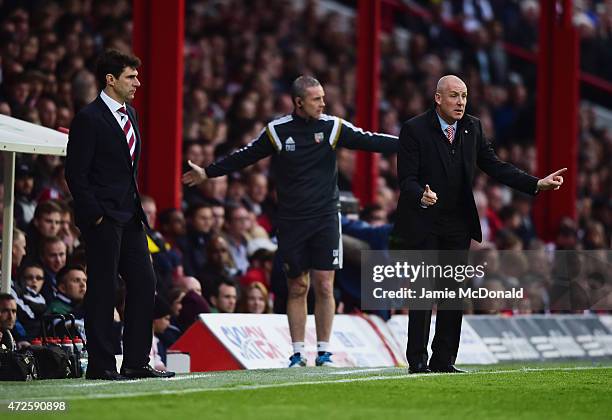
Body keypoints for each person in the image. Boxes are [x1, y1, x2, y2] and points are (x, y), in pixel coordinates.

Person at [183, 75, 398, 367]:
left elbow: (370, 140)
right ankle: (297, 353)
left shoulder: (332, 127)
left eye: (323, 97)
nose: (323, 103)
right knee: (298, 286)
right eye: (316, 99)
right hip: (292, 221)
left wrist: (410, 143)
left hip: (325, 218)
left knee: (324, 285)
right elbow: (245, 156)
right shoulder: (277, 131)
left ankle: (324, 351)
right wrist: (208, 172)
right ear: (299, 103)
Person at [392, 75, 566, 374]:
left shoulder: (472, 127)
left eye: (464, 96)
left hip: (458, 223)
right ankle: (417, 360)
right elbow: (405, 179)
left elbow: (495, 165)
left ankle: (444, 359)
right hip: (424, 221)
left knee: (452, 292)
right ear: (438, 98)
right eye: (454, 96)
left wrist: (536, 184)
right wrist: (421, 194)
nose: (460, 102)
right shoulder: (414, 129)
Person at [65, 49, 174, 380]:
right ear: (110, 80)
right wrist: (94, 215)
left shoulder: (132, 115)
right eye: (131, 76)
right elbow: (75, 173)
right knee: (102, 288)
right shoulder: (88, 118)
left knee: (144, 282)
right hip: (104, 218)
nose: (137, 82)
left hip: (130, 216)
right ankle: (100, 365)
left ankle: (136, 362)